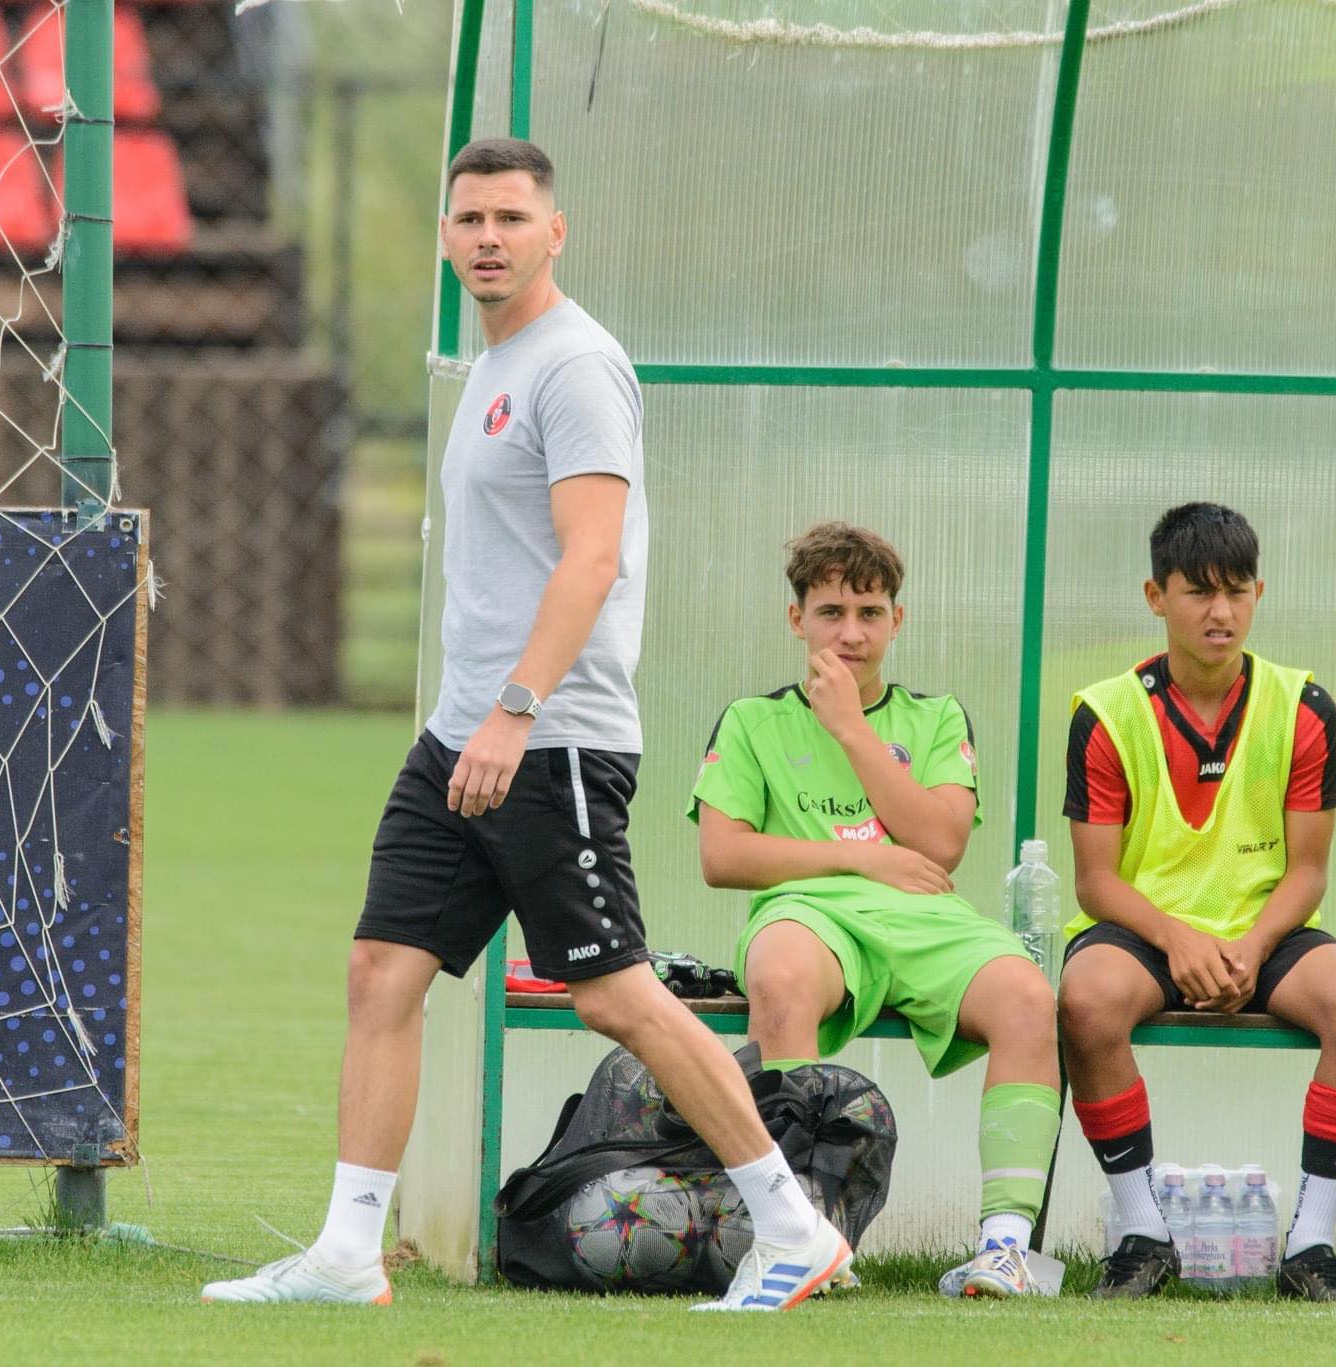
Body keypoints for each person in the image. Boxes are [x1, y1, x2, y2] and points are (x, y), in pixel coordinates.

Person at [202, 137, 850, 1311]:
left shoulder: (576, 366)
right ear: (448, 237)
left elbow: (589, 559)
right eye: (468, 219)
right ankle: (349, 1250)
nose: (486, 236)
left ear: (556, 232)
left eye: (509, 216)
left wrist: (512, 711)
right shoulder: (491, 366)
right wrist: (472, 721)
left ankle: (790, 1221)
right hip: (462, 735)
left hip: (544, 740)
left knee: (614, 992)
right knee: (380, 970)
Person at [688, 520, 1060, 1300]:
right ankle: (806, 1234)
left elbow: (942, 842)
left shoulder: (935, 718)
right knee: (781, 977)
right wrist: (862, 853)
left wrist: (851, 730)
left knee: (1028, 994)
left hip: (927, 917)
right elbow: (724, 856)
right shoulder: (753, 720)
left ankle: (1004, 1249)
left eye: (869, 612)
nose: (850, 633)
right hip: (809, 912)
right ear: (797, 619)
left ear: (898, 619)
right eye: (830, 612)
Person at [1057, 502, 1336, 1302]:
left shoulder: (1303, 705)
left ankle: (1310, 1247)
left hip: (1265, 932)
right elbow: (1096, 880)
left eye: (1237, 591)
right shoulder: (1106, 712)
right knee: (1087, 1000)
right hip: (1139, 929)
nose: (1221, 611)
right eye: (1199, 591)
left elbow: (1309, 871)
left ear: (1258, 591)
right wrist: (1177, 938)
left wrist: (1248, 946)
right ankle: (1142, 1234)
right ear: (1154, 595)